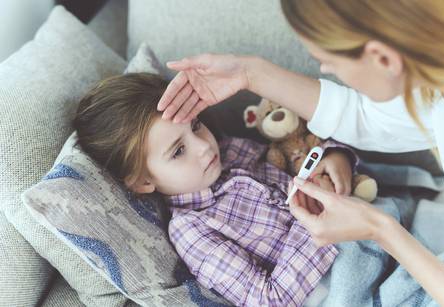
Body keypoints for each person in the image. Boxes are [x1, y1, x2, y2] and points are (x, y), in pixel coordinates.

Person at [156, 1, 444, 306]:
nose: (325, 70)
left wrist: (381, 229)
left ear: (382, 57)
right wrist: (250, 73)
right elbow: (363, 117)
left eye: (327, 60)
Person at [73, 72, 366, 306]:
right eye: (178, 151)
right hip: (333, 283)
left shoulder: (230, 151)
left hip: (363, 222)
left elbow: (297, 156)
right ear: (143, 181)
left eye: (196, 125)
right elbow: (269, 300)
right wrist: (313, 215)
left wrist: (334, 157)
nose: (203, 146)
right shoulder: (192, 230)